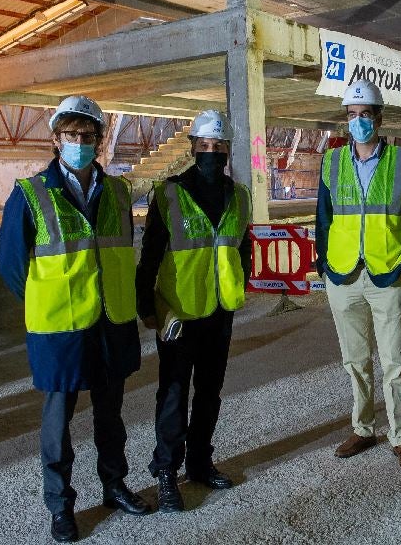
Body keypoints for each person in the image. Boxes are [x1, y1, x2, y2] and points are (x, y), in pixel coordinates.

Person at [0, 95, 149, 543]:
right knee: (56, 422)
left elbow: (121, 256)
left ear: (100, 141)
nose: (79, 143)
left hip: (110, 321)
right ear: (55, 139)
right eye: (71, 136)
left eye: (87, 136)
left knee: (111, 416)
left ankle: (114, 485)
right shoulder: (30, 194)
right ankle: (61, 506)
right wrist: (50, 300)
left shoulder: (118, 192)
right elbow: (11, 266)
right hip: (59, 328)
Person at [135, 110, 252, 512]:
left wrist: (239, 286)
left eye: (219, 147)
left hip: (219, 311)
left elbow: (243, 247)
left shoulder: (239, 195)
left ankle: (200, 463)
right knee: (173, 394)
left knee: (209, 393)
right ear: (192, 149)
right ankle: (166, 471)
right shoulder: (169, 193)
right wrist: (147, 305)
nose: (212, 153)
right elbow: (149, 254)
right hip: (179, 313)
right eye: (205, 146)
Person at [315, 80, 401, 471]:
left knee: (395, 361)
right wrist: (323, 263)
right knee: (355, 361)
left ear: (379, 117)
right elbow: (323, 220)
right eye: (351, 114)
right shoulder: (331, 162)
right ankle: (363, 429)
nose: (358, 121)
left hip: (389, 273)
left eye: (365, 114)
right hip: (343, 276)